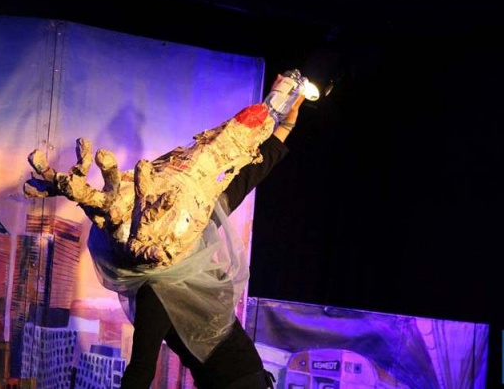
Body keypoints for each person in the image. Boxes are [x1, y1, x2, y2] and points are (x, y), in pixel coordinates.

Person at [24, 72, 306, 388]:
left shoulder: (186, 243)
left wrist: (284, 123)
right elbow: (141, 371)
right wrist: (284, 126)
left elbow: (244, 179)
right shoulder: (163, 280)